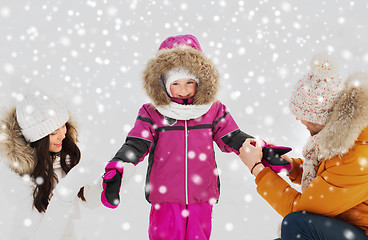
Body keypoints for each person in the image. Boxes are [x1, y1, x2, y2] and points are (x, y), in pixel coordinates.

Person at [100, 34, 262, 240]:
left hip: (201, 196)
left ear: (200, 81)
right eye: (176, 83)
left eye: (189, 82)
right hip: (166, 198)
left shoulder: (212, 110)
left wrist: (262, 150)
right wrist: (118, 167)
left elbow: (233, 137)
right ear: (164, 84)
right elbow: (137, 143)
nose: (183, 90)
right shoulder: (153, 113)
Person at [239, 53, 368, 240]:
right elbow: (328, 181)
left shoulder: (356, 156)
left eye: (304, 114)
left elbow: (299, 210)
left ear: (321, 118)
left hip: (360, 233)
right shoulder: (343, 140)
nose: (298, 119)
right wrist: (290, 167)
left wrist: (257, 170)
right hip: (347, 228)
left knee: (295, 225)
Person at [0, 93, 101, 240]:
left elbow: (88, 200)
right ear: (38, 140)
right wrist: (68, 188)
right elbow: (44, 234)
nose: (62, 135)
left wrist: (110, 183)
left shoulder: (61, 159)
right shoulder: (21, 174)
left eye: (63, 126)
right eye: (54, 132)